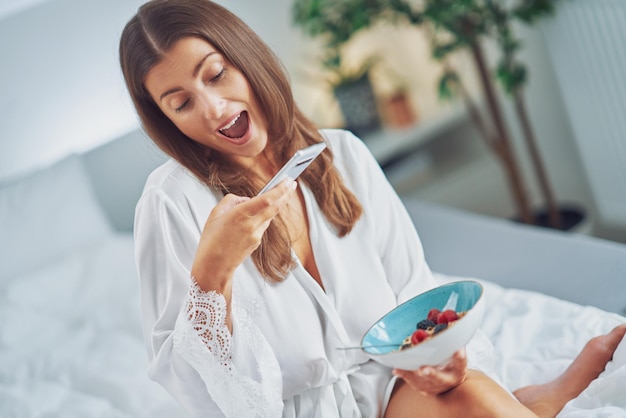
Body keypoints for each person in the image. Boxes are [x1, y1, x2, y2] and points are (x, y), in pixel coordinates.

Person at [119, 1, 626, 417]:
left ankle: (519, 402)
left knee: (469, 395)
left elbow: (412, 289)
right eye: (180, 103)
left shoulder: (342, 154)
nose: (213, 108)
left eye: (216, 74)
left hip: (387, 384)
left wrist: (435, 362)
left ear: (246, 57)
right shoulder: (171, 203)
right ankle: (535, 404)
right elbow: (192, 387)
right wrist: (214, 270)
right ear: (165, 120)